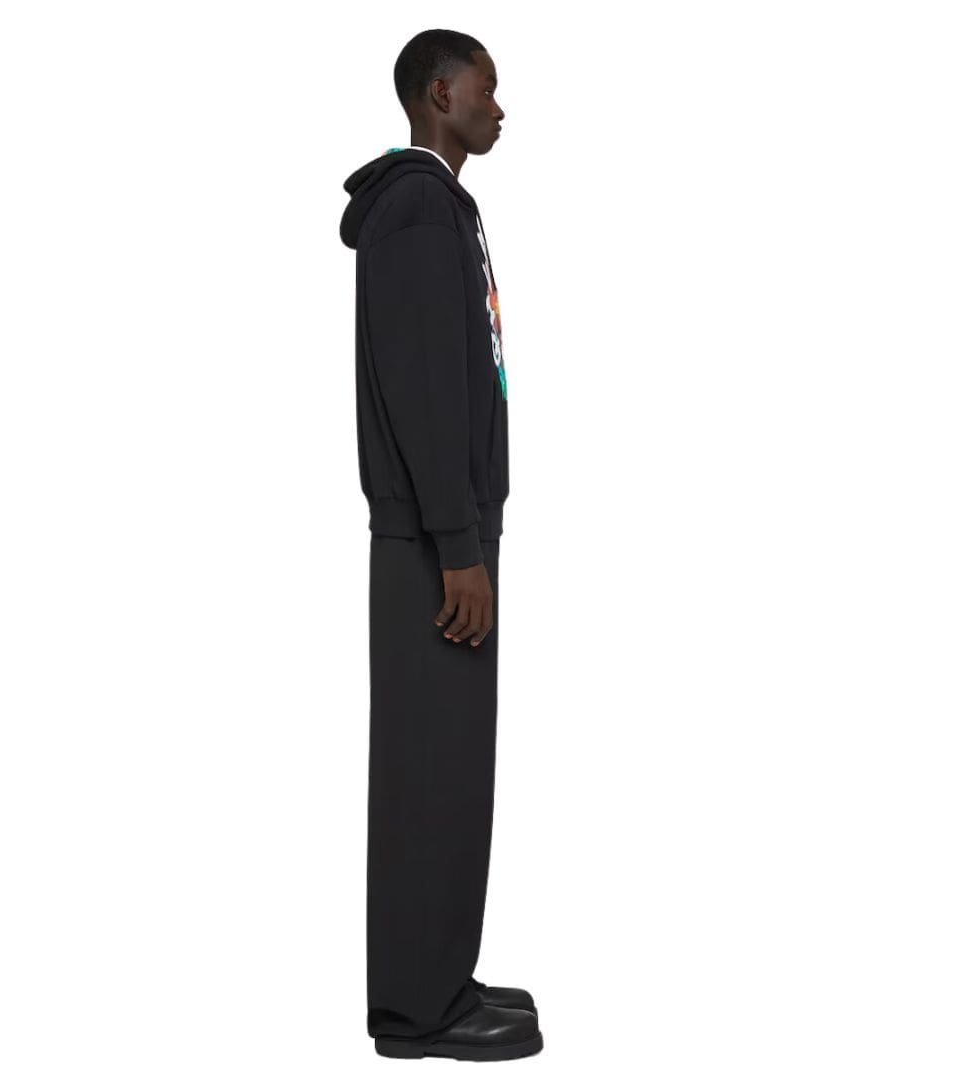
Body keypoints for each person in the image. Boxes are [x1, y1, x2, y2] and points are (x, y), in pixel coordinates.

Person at [339, 29, 542, 1062]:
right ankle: (418, 1011)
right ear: (439, 93)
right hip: (435, 543)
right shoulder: (419, 209)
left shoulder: (435, 205)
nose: (499, 109)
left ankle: (437, 975)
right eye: (486, 90)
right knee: (432, 772)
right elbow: (424, 387)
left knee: (451, 768)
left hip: (446, 531)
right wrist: (458, 543)